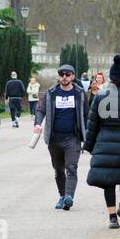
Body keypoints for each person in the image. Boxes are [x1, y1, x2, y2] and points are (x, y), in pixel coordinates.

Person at [83, 55, 120, 229]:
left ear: (111, 77)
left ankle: (112, 218)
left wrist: (89, 146)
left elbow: (92, 123)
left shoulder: (100, 96)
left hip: (104, 139)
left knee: (108, 180)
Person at [34, 65, 88, 211]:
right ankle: (62, 196)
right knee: (58, 170)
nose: (64, 77)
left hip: (73, 138)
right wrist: (38, 124)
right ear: (59, 76)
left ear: (72, 76)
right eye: (61, 74)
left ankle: (69, 197)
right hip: (54, 138)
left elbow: (87, 115)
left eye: (67, 74)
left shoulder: (79, 93)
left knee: (71, 168)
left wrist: (90, 134)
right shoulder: (51, 93)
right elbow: (41, 110)